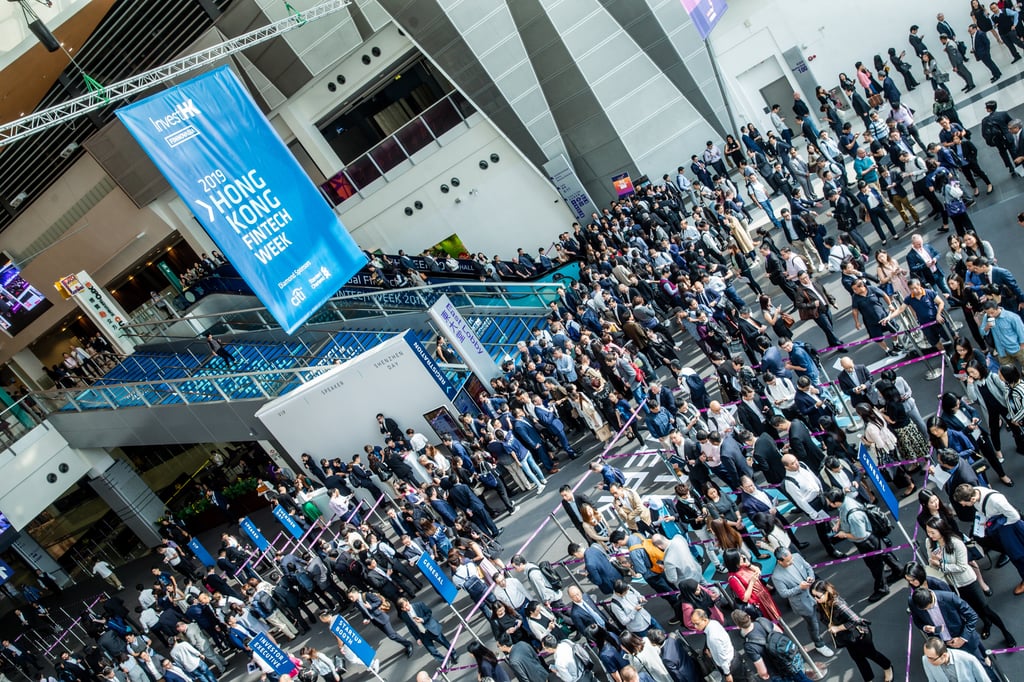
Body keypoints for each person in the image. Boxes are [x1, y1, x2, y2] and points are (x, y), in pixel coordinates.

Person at [824, 487, 902, 602]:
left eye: (829, 502)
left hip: (866, 542)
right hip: (871, 535)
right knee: (884, 554)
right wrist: (839, 523)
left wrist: (844, 534)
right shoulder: (846, 501)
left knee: (875, 565)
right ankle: (898, 570)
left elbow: (860, 535)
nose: (828, 503)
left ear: (836, 503)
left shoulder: (853, 516)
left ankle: (882, 588)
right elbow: (842, 512)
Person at [810, 580, 893, 682]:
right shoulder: (822, 605)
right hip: (847, 637)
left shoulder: (838, 604)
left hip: (859, 635)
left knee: (871, 654)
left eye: (818, 596)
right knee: (858, 659)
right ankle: (869, 679)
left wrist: (838, 628)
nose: (815, 599)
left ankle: (887, 667)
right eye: (813, 596)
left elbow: (856, 620)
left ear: (826, 592)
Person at [771, 547, 834, 657]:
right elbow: (784, 593)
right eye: (788, 561)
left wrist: (811, 577)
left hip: (815, 594)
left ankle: (834, 633)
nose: (791, 562)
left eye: (791, 558)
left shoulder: (796, 557)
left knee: (827, 615)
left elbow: (808, 567)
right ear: (779, 561)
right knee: (813, 624)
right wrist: (799, 587)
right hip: (803, 603)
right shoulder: (777, 576)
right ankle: (819, 645)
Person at [909, 588, 991, 670]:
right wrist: (925, 627)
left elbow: (972, 616)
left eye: (929, 607)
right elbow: (917, 620)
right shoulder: (912, 602)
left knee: (981, 668)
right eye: (924, 610)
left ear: (932, 597)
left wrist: (962, 638)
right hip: (945, 647)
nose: (927, 610)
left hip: (964, 641)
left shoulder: (949, 597)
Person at [732, 610, 813, 682]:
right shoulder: (762, 621)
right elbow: (780, 632)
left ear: (738, 626)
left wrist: (764, 676)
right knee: (802, 678)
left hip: (776, 671)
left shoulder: (749, 645)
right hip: (788, 660)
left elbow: (762, 670)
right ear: (749, 617)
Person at [921, 637, 990, 682]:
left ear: (944, 655)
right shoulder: (926, 659)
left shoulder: (968, 659)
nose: (928, 660)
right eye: (926, 656)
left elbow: (984, 680)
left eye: (931, 658)